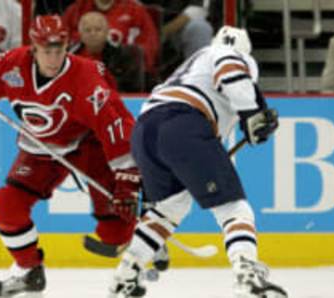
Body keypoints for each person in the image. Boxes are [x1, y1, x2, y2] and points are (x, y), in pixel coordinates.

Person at [0, 14, 140, 297]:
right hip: (41, 148)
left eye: (59, 50)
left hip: (89, 144)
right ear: (33, 47)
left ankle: (144, 249)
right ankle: (29, 271)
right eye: (46, 51)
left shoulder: (86, 78)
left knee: (115, 231)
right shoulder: (12, 64)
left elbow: (116, 126)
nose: (53, 58)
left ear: (67, 46)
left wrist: (127, 182)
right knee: (5, 208)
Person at [107, 26, 287, 298]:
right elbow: (230, 67)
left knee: (168, 209)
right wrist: (252, 113)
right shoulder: (231, 55)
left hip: (146, 130)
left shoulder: (194, 66)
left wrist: (223, 171)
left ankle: (125, 275)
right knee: (235, 209)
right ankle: (248, 275)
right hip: (184, 124)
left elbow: (219, 148)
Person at [63, 0, 159, 76]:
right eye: (88, 30)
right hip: (80, 76)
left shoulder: (135, 10)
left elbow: (150, 48)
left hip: (122, 77)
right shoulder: (76, 10)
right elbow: (61, 46)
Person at [69, 11, 145, 92]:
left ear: (107, 32)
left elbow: (132, 88)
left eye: (98, 30)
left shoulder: (124, 56)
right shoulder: (70, 57)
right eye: (88, 30)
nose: (93, 34)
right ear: (80, 34)